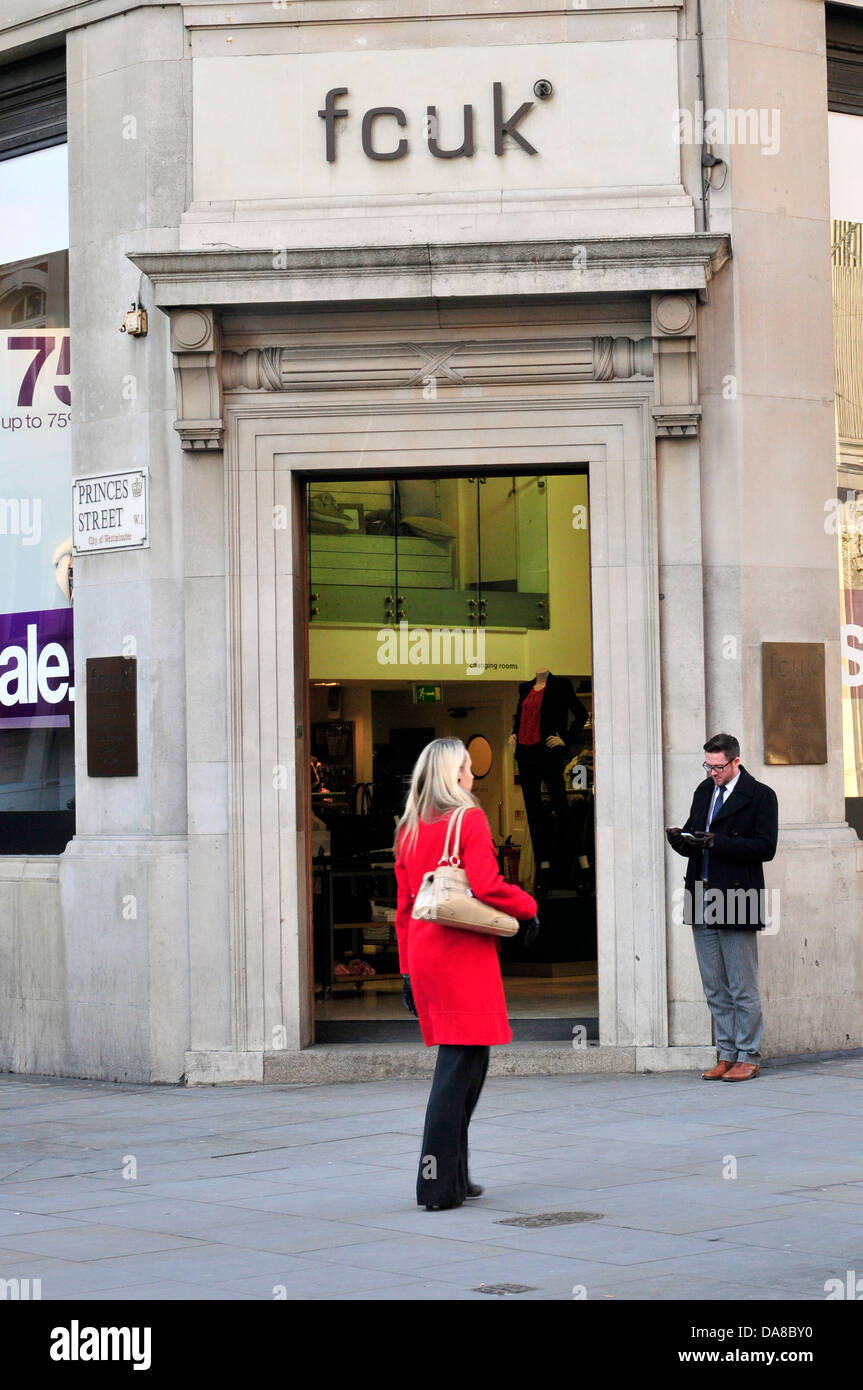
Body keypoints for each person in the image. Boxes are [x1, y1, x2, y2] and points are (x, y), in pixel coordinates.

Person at [394, 737, 539, 1210]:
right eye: (468, 769)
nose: (473, 776)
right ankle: (436, 1184)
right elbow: (489, 886)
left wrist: (406, 972)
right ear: (454, 775)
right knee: (458, 1068)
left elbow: (401, 910)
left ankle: (454, 1172)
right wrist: (529, 907)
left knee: (470, 1063)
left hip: (424, 951)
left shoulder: (409, 829)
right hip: (460, 952)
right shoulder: (469, 819)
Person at [667, 734, 779, 1082]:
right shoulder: (704, 791)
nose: (712, 772)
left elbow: (766, 847)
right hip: (700, 892)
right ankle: (727, 1053)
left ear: (735, 762)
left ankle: (749, 1055)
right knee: (713, 983)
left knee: (741, 984)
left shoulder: (761, 796)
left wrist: (720, 843)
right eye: (708, 766)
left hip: (736, 894)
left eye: (718, 767)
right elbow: (694, 834)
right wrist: (681, 841)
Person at [508, 668, 588, 890]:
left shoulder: (561, 686)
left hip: (548, 753)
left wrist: (566, 739)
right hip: (525, 756)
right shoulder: (525, 687)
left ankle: (583, 867)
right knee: (534, 815)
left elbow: (581, 714)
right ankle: (544, 870)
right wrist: (515, 732)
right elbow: (522, 715)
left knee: (563, 810)